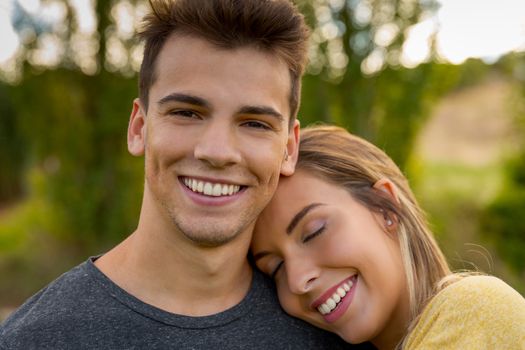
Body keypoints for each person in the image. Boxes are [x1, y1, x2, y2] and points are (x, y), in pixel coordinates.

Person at [0, 1, 365, 349]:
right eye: (187, 113)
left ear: (288, 149)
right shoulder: (32, 340)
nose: (218, 152)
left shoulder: (336, 327)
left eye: (254, 123)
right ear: (139, 127)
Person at [251, 125, 525, 349]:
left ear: (385, 207)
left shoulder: (474, 310)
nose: (297, 280)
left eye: (314, 232)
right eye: (276, 268)